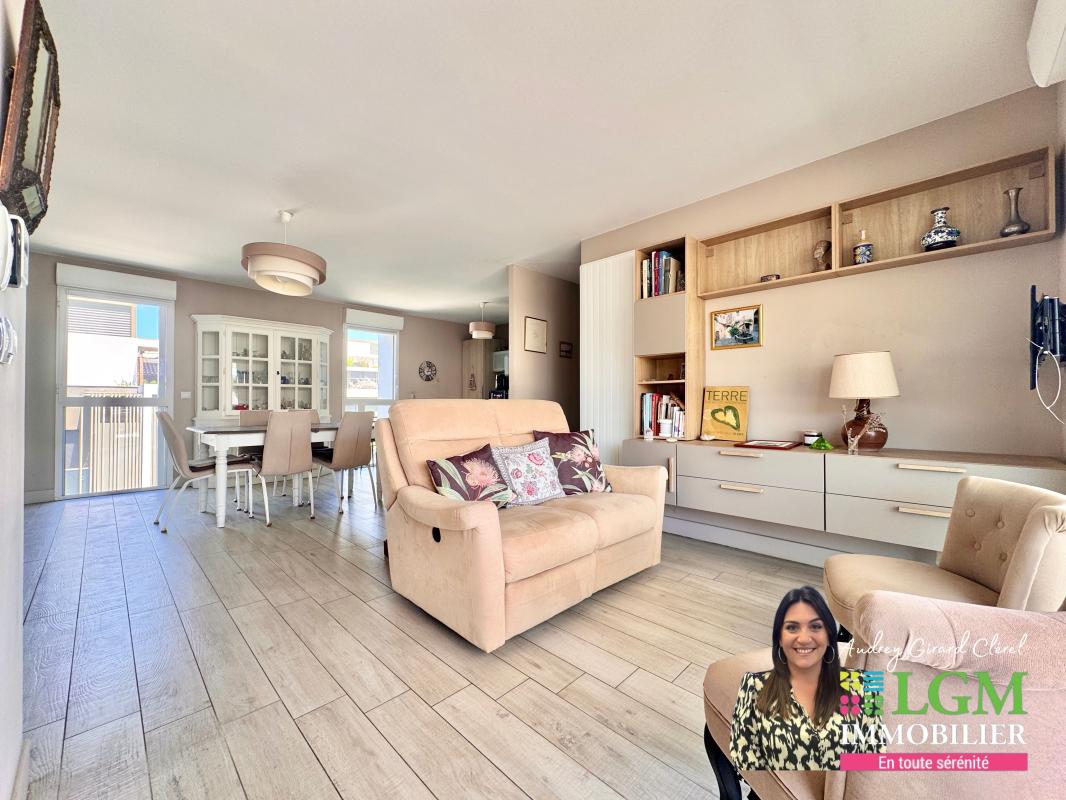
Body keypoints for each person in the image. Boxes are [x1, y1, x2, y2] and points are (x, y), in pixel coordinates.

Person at [727, 586, 885, 778]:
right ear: (779, 638)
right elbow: (743, 759)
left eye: (815, 627)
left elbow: (875, 760)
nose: (803, 638)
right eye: (792, 627)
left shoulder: (867, 685)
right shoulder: (752, 686)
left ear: (829, 636)